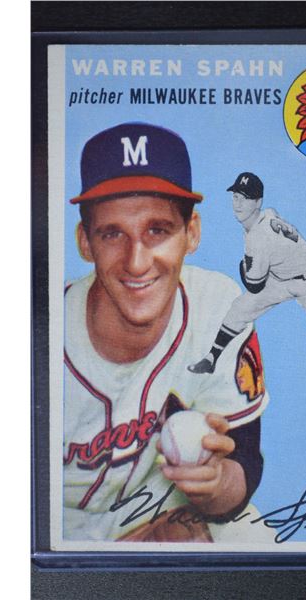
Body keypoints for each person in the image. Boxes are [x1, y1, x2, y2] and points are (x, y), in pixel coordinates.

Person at [63, 124, 270, 543]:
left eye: (157, 230)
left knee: (251, 536)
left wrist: (214, 485)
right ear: (85, 242)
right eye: (113, 233)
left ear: (191, 233)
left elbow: (244, 463)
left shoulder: (218, 308)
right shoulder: (41, 329)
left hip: (165, 507)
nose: (137, 262)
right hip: (54, 533)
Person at [188, 172, 306, 441]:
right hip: (281, 278)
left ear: (258, 202)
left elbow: (254, 284)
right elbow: (258, 283)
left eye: (245, 198)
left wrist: (244, 269)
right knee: (241, 308)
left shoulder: (259, 235)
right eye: (235, 196)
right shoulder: (265, 218)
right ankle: (211, 359)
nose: (238, 203)